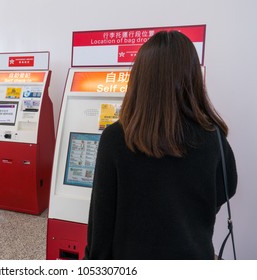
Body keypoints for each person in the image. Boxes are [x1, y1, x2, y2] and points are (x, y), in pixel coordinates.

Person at [84, 31, 238, 260]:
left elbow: (101, 223)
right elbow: (227, 189)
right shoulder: (213, 137)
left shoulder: (115, 138)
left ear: (139, 78)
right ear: (193, 76)